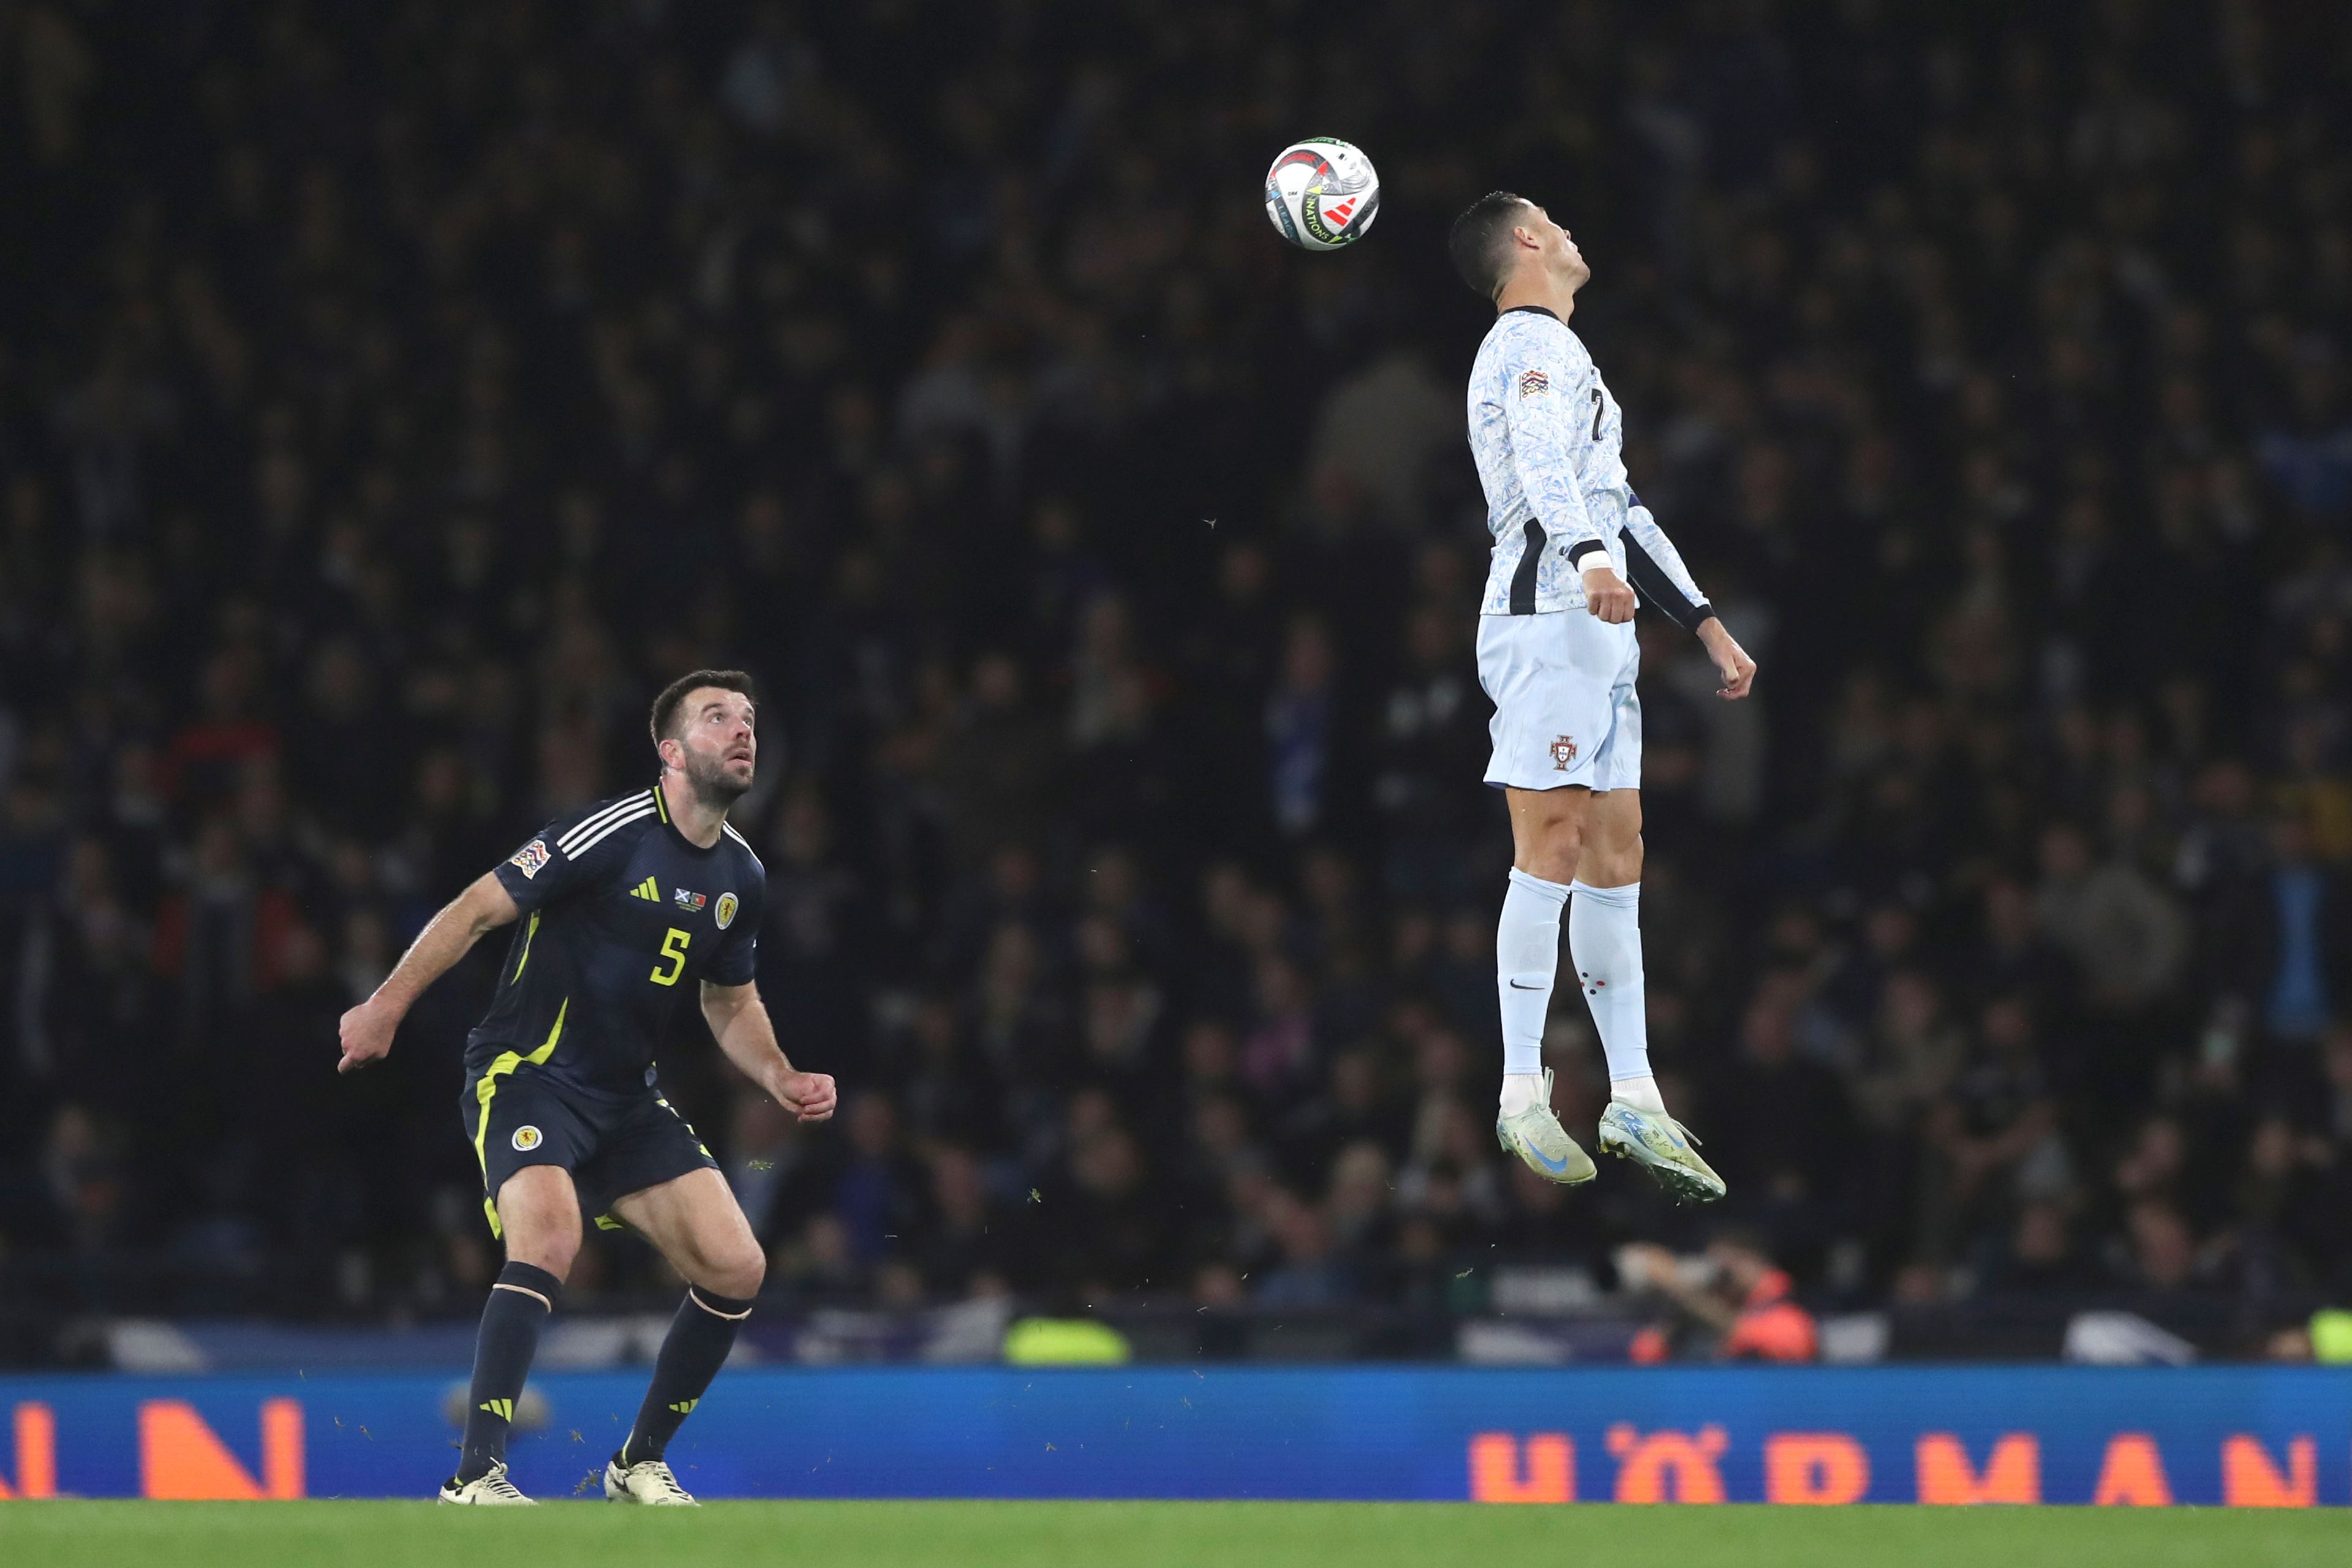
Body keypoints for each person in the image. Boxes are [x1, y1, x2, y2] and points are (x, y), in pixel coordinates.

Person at [336, 671, 837, 1505]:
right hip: (527, 1074)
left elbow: (730, 998)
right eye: (718, 718)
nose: (742, 731)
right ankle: (474, 1476)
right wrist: (385, 1006)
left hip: (626, 1100)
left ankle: (636, 1463)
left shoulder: (743, 877)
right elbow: (472, 910)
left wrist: (778, 1073)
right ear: (670, 751)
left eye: (748, 719)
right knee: (549, 1239)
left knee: (737, 1265)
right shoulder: (611, 831)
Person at [1447, 192, 1757, 1201]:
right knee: (1553, 842)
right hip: (1546, 617)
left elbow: (1618, 505)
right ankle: (1520, 1089)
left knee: (1618, 848)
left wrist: (1704, 620)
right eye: (1557, 221)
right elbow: (1544, 468)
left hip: (1595, 626)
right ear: (1527, 242)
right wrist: (1585, 561)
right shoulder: (1521, 345)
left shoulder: (1571, 358)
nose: (1577, 232)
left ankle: (1634, 1095)